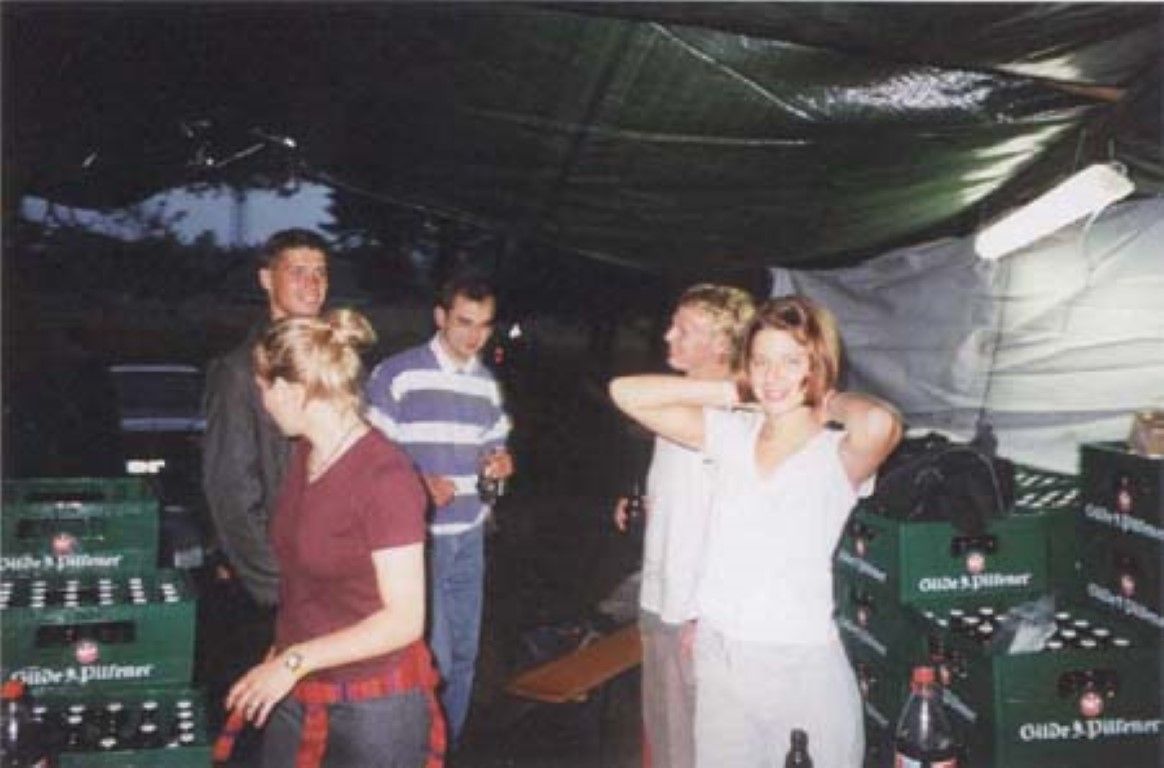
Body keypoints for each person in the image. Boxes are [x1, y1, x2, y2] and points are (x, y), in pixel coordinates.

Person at [610, 295, 902, 768]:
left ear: (817, 366)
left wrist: (827, 399)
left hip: (800, 662)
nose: (773, 375)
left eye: (791, 361)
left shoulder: (833, 454)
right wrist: (737, 390)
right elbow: (626, 392)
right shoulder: (731, 435)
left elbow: (880, 422)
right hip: (719, 658)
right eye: (761, 361)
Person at [223, 308, 444, 767]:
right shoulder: (304, 455)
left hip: (373, 708)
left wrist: (293, 661)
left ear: (293, 391)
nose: (262, 404)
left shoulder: (385, 477)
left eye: (263, 389)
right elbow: (306, 581)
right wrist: (281, 654)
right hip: (300, 683)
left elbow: (404, 620)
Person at [365, 273, 514, 743]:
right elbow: (368, 463)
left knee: (465, 657)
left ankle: (444, 750)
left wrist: (500, 468)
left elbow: (493, 465)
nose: (474, 336)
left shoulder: (486, 385)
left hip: (469, 536)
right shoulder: (397, 374)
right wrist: (415, 485)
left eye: (484, 325)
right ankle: (416, 749)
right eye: (464, 322)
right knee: (437, 661)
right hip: (417, 543)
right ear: (440, 317)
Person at [612, 284, 755, 768]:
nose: (668, 335)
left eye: (685, 329)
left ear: (721, 344)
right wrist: (651, 503)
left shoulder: (734, 413)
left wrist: (706, 614)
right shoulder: (687, 402)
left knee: (692, 748)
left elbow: (742, 528)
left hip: (694, 611)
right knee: (664, 737)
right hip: (663, 595)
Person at [200, 228, 329, 741]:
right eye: (297, 271)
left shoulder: (335, 366)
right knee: (272, 729)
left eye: (320, 272)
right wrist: (279, 590)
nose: (311, 283)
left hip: (329, 585)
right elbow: (232, 495)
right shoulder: (239, 372)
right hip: (275, 593)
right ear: (265, 279)